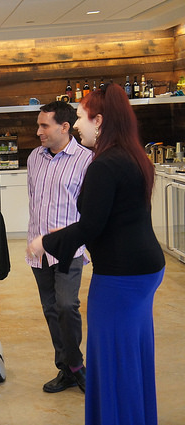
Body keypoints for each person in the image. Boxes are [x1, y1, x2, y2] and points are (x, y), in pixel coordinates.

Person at [28, 84, 165, 425]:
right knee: (132, 355)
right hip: (144, 269)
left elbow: (89, 227)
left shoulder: (103, 164)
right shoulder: (133, 156)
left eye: (80, 117)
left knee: (112, 358)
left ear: (99, 121)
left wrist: (46, 242)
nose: (77, 125)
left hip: (121, 277)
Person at [27, 100, 93, 394]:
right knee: (51, 309)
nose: (38, 131)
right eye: (39, 124)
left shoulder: (86, 160)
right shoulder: (34, 158)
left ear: (65, 127)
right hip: (39, 249)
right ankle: (66, 369)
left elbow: (90, 210)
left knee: (67, 306)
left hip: (68, 250)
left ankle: (76, 365)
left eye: (44, 125)